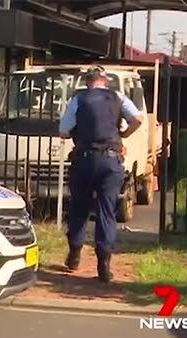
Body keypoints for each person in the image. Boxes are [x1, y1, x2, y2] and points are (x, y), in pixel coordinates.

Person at [59, 65, 143, 283]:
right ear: (105, 81)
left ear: (88, 81)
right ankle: (104, 265)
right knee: (107, 211)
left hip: (84, 160)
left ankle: (75, 254)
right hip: (111, 161)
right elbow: (138, 119)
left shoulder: (78, 99)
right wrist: (123, 133)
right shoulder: (118, 97)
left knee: (79, 207)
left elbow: (63, 131)